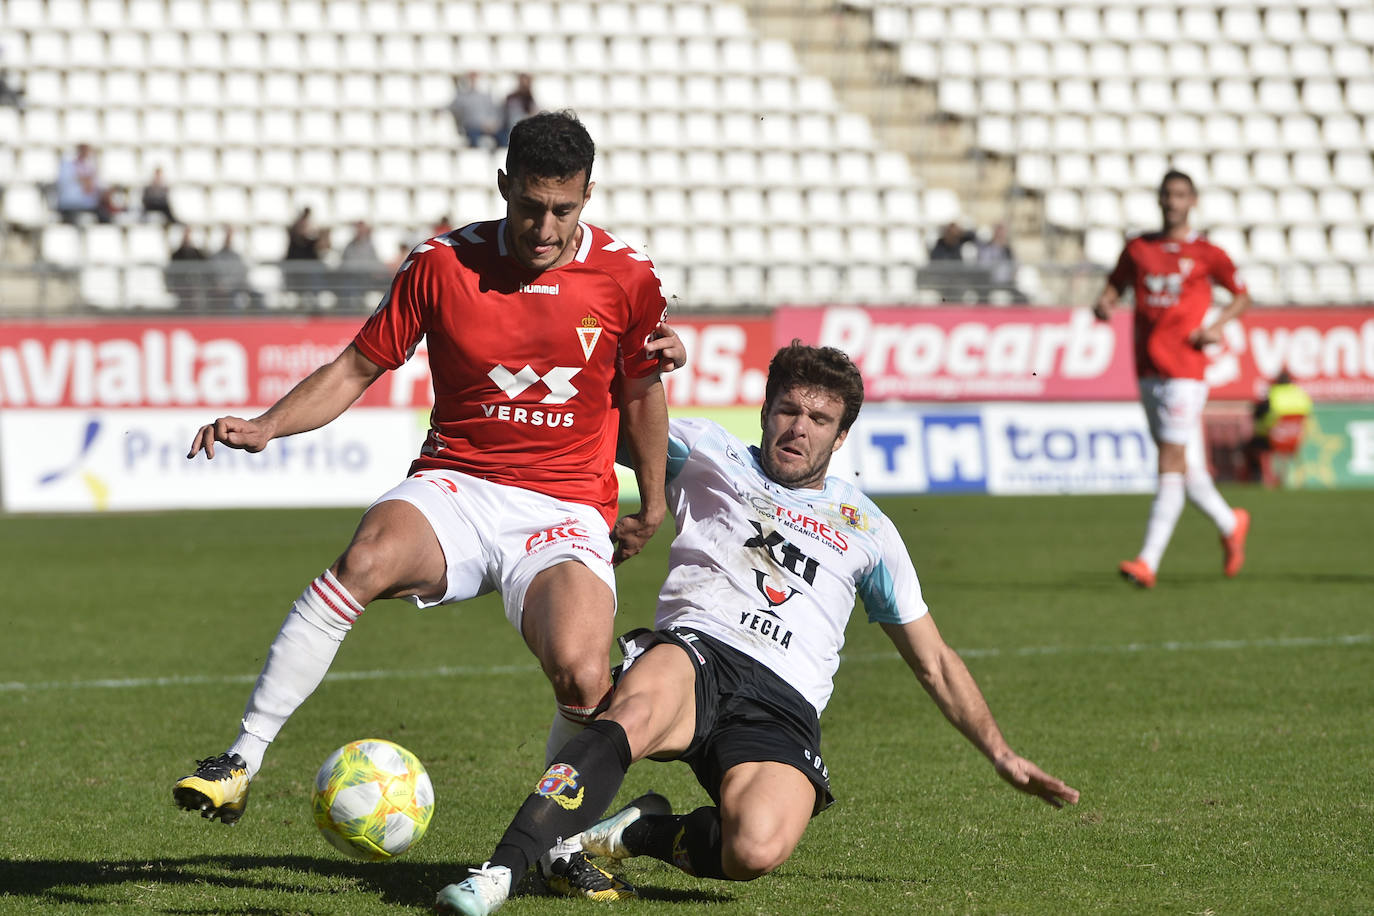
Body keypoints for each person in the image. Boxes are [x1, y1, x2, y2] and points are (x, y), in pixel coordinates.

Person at [173, 110, 684, 899]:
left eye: (564, 210)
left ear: (587, 196)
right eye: (529, 207)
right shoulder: (442, 263)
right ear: (504, 186)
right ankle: (240, 760)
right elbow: (356, 366)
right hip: (459, 484)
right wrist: (268, 426)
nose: (544, 227)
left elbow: (645, 392)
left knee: (585, 676)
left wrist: (650, 501)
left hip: (563, 509)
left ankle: (556, 844)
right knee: (365, 558)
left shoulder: (627, 275)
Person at [435, 343, 1080, 915]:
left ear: (841, 436)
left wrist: (999, 752)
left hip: (784, 702)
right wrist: (642, 365)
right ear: (766, 410)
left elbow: (933, 659)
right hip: (698, 652)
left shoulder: (870, 530)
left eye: (819, 420)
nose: (798, 429)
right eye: (787, 410)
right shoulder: (707, 450)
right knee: (632, 713)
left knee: (757, 848)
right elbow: (598, 420)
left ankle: (635, 833)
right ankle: (502, 871)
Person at [1093, 170, 1252, 589]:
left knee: (1168, 462)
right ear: (1159, 199)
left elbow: (1241, 294)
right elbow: (1113, 287)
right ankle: (1230, 522)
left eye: (1180, 194)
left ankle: (1148, 561)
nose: (1172, 201)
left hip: (1186, 368)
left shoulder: (1207, 253)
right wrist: (1104, 304)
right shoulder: (1139, 249)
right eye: (1167, 194)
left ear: (1192, 200)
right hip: (1146, 367)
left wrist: (1216, 326)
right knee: (1185, 465)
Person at [1244, 370, 1313, 485]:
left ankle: (1267, 480)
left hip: (1275, 437)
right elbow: (1307, 413)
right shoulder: (1300, 393)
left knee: (1258, 445)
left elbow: (1260, 413)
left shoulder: (1273, 393)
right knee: (1285, 449)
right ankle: (1300, 480)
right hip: (1294, 438)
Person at [55, 143, 113, 223]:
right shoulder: (67, 166)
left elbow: (98, 186)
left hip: (90, 204)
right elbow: (66, 182)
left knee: (105, 217)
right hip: (70, 204)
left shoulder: (91, 166)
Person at [208, 227, 263, 310]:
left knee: (258, 296)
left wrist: (236, 284)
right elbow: (215, 274)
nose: (229, 240)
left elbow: (242, 272)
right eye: (227, 238)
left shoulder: (236, 256)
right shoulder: (217, 257)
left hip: (238, 286)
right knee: (234, 301)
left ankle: (259, 320)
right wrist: (225, 285)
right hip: (225, 289)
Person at [443, 72, 502, 148]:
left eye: (475, 79)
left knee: (503, 138)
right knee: (474, 141)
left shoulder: (486, 96)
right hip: (472, 128)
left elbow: (494, 112)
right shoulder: (462, 97)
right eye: (471, 79)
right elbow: (451, 107)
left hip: (488, 128)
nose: (473, 81)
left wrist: (492, 124)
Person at [165, 225, 209, 309]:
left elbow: (205, 264)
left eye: (188, 235)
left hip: (194, 286)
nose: (187, 237)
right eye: (185, 235)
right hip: (181, 287)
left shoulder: (197, 253)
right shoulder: (176, 254)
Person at [499, 74, 538, 147]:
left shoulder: (530, 98)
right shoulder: (511, 98)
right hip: (509, 129)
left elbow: (534, 112)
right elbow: (512, 118)